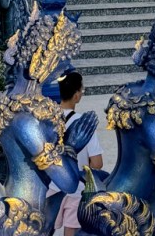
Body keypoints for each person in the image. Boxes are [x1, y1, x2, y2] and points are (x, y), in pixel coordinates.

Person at [52, 71, 103, 236]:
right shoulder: (84, 124)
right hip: (76, 190)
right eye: (81, 90)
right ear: (76, 96)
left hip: (50, 188)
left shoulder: (47, 119)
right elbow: (97, 164)